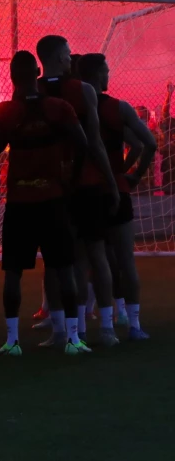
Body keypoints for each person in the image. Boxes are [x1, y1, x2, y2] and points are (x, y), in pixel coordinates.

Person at [0, 51, 88, 356]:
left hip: (20, 203)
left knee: (13, 273)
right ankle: (73, 339)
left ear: (12, 77)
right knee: (64, 269)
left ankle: (12, 341)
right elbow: (83, 144)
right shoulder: (59, 107)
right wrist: (68, 180)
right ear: (37, 73)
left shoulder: (6, 111)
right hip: (53, 200)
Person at [36, 35, 119, 346]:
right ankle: (104, 329)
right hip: (84, 184)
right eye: (68, 53)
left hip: (55, 188)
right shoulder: (82, 90)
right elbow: (94, 142)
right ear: (59, 57)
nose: (72, 58)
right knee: (91, 255)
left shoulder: (36, 92)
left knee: (60, 261)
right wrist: (111, 183)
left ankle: (66, 330)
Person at [79, 53, 156, 340]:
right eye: (107, 70)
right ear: (99, 74)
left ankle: (101, 327)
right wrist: (130, 174)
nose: (109, 75)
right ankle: (134, 326)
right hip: (118, 192)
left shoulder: (72, 108)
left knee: (91, 263)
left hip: (86, 192)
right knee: (125, 261)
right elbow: (147, 143)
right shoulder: (118, 108)